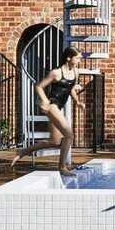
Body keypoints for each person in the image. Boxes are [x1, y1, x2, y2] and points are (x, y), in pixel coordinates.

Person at [11, 47, 85, 176]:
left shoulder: (75, 72)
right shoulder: (56, 73)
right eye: (77, 58)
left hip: (59, 108)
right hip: (52, 106)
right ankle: (62, 167)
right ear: (69, 58)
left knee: (55, 141)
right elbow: (39, 86)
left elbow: (71, 87)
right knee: (69, 136)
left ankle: (23, 151)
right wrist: (44, 100)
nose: (79, 60)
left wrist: (77, 101)